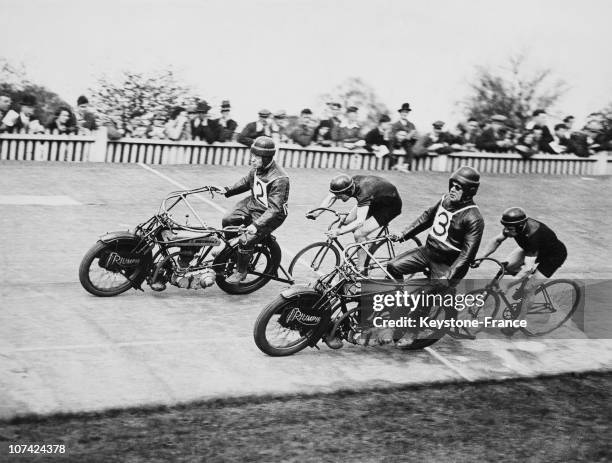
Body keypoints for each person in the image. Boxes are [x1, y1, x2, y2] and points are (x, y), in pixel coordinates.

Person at [475, 207, 567, 335]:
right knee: (507, 266)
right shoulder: (514, 226)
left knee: (529, 288)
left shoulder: (532, 236)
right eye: (505, 227)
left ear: (520, 227)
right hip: (534, 249)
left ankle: (519, 321)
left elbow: (528, 269)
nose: (506, 231)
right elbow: (497, 240)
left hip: (553, 256)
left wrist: (508, 284)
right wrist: (481, 257)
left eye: (509, 229)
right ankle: (523, 281)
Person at [387, 166, 484, 287]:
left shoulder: (474, 218)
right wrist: (403, 234)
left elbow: (467, 255)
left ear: (469, 191)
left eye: (458, 187)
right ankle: (399, 297)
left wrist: (448, 276)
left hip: (447, 263)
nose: (452, 190)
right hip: (428, 252)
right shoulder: (445, 199)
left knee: (431, 296)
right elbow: (427, 218)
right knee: (393, 267)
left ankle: (448, 301)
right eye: (452, 185)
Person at [217, 136, 290, 283]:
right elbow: (246, 181)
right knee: (229, 219)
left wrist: (255, 225)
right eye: (253, 155)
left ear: (267, 157)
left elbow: (274, 209)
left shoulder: (279, 178)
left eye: (257, 157)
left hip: (270, 214)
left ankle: (241, 271)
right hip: (253, 203)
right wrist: (227, 190)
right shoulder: (258, 168)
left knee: (246, 239)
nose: (252, 159)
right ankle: (232, 253)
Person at [307, 173, 402, 271]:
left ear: (348, 191)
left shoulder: (363, 192)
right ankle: (367, 243)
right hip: (374, 199)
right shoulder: (347, 183)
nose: (338, 198)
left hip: (389, 207)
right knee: (347, 221)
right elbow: (332, 196)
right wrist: (316, 213)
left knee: (359, 234)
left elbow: (359, 222)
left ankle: (361, 269)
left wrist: (338, 231)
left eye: (340, 196)